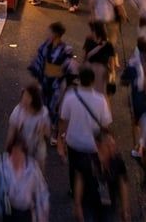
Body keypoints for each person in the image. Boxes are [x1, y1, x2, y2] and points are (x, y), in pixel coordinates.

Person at [59, 68, 112, 200]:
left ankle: (74, 191)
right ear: (93, 81)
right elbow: (106, 124)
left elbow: (63, 120)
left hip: (74, 142)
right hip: (93, 145)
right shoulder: (101, 100)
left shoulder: (70, 97)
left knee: (74, 168)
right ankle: (95, 192)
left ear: (79, 80)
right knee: (95, 169)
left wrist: (60, 139)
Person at [0, 136, 50, 222]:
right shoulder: (2, 166)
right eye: (14, 153)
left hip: (26, 213)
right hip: (8, 212)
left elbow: (41, 192)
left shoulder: (32, 169)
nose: (17, 157)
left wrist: (42, 214)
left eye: (20, 153)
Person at [74, 128, 130, 222]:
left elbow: (122, 183)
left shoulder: (117, 161)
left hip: (109, 205)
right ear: (98, 145)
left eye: (113, 145)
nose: (112, 148)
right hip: (89, 204)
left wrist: (125, 208)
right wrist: (77, 205)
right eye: (108, 146)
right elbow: (79, 180)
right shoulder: (87, 161)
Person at [29, 22, 75, 127]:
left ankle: (53, 130)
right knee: (42, 105)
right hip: (44, 80)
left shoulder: (66, 49)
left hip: (56, 83)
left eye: (49, 32)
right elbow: (39, 60)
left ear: (55, 34)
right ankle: (42, 127)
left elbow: (68, 67)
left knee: (54, 107)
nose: (47, 33)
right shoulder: (45, 45)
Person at [6, 84, 52, 165]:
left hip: (37, 148)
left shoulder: (43, 112)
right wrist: (8, 149)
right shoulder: (17, 112)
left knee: (38, 169)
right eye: (24, 96)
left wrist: (43, 130)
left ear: (34, 100)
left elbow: (48, 134)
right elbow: (11, 132)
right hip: (21, 148)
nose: (24, 99)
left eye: (27, 97)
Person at [83, 21, 116, 96]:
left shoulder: (108, 44)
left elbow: (112, 62)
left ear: (97, 32)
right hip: (91, 72)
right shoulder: (89, 41)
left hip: (101, 73)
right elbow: (84, 57)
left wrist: (112, 76)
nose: (89, 32)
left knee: (99, 94)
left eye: (92, 30)